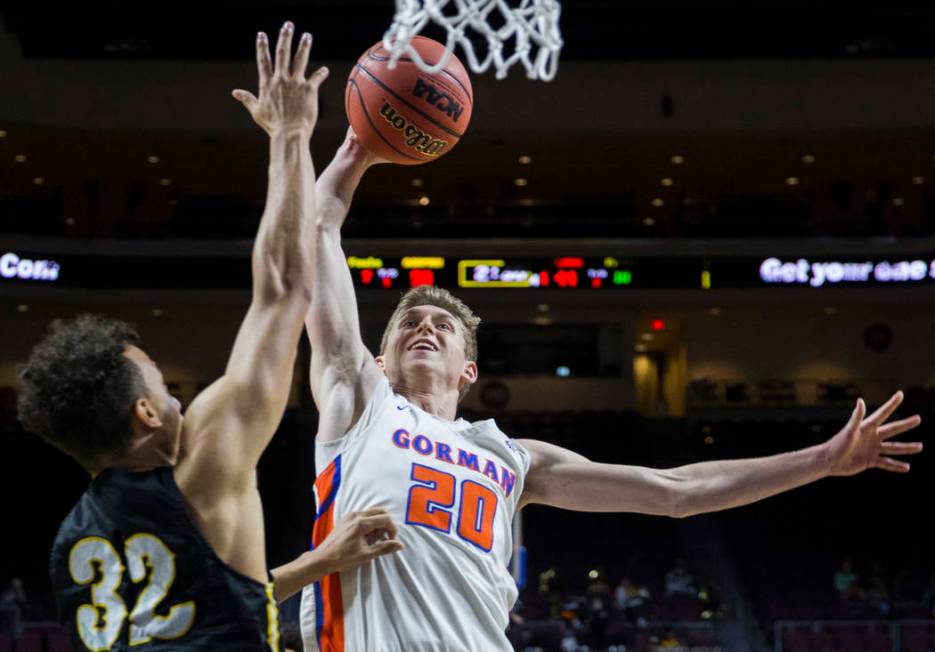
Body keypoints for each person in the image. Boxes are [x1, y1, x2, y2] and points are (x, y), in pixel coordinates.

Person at [298, 130, 923, 651]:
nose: (426, 327)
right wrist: (358, 145)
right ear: (378, 359)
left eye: (444, 326)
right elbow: (321, 231)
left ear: (469, 372)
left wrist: (822, 460)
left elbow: (677, 492)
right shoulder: (359, 403)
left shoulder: (515, 458)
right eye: (409, 322)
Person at [17, 23, 401, 651]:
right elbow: (283, 291)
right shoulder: (203, 466)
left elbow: (206, 596)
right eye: (162, 388)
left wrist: (319, 561)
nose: (176, 398)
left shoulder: (73, 545)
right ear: (144, 413)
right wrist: (290, 134)